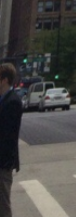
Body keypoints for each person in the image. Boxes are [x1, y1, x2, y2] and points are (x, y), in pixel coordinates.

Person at [0, 63, 23, 217]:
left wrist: (6, 162)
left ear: (4, 80)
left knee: (2, 204)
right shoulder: (3, 99)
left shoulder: (12, 102)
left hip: (3, 162)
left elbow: (8, 136)